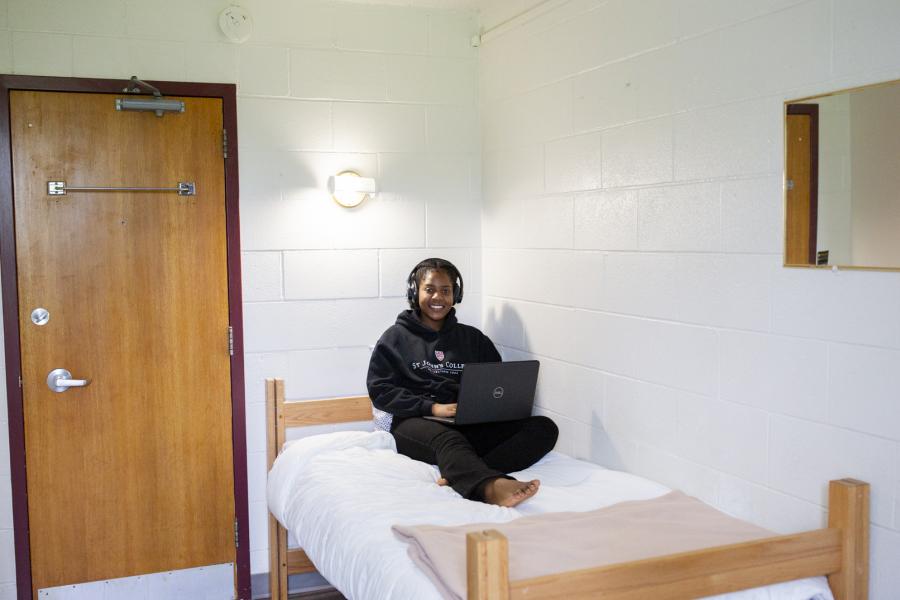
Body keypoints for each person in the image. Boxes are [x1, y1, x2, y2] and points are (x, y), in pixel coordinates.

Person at [366, 258, 558, 507]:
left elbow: (495, 384)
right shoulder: (395, 338)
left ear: (456, 293)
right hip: (414, 422)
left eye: (446, 290)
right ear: (415, 292)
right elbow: (380, 390)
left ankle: (462, 471)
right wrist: (432, 408)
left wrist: (489, 408)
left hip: (465, 420)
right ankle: (489, 487)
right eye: (429, 289)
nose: (438, 297)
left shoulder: (473, 339)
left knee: (544, 428)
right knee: (449, 440)